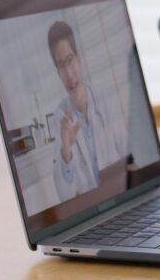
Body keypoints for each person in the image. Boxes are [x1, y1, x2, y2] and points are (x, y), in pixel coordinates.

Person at [47, 20, 129, 201]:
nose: (69, 74)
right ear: (58, 73)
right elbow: (64, 194)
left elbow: (128, 155)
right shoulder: (58, 120)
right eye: (61, 65)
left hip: (120, 199)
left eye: (70, 60)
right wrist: (66, 150)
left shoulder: (106, 101)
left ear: (79, 60)